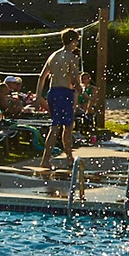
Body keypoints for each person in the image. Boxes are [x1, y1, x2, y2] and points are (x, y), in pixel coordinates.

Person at [36, 28, 85, 176]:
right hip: (64, 93)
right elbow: (75, 79)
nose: (77, 44)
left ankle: (61, 157)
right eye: (76, 41)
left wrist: (38, 95)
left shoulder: (53, 56)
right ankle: (62, 158)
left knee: (56, 125)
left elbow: (41, 77)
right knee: (65, 127)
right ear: (72, 41)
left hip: (52, 92)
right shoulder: (71, 57)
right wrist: (81, 90)